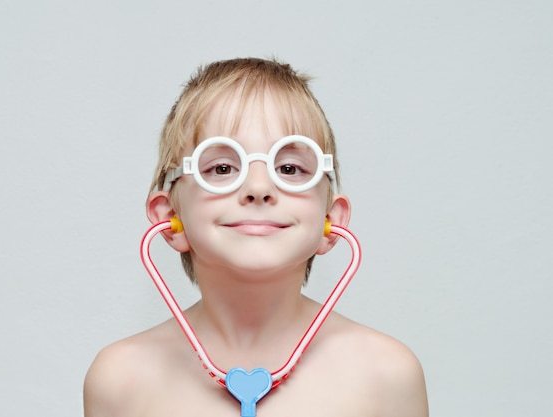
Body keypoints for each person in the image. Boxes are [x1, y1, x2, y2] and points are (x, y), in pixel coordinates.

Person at [83, 57, 428, 417]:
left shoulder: (388, 376)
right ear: (171, 217)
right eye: (222, 167)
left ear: (330, 219)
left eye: (290, 168)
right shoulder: (120, 380)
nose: (259, 187)